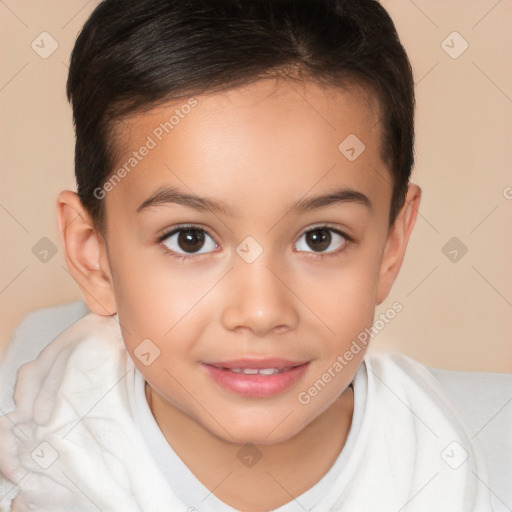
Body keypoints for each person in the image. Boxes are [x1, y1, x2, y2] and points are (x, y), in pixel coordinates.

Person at [0, 0, 499, 510]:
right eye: (189, 239)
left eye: (320, 238)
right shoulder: (57, 451)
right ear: (94, 257)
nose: (261, 312)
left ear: (391, 246)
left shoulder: (436, 464)